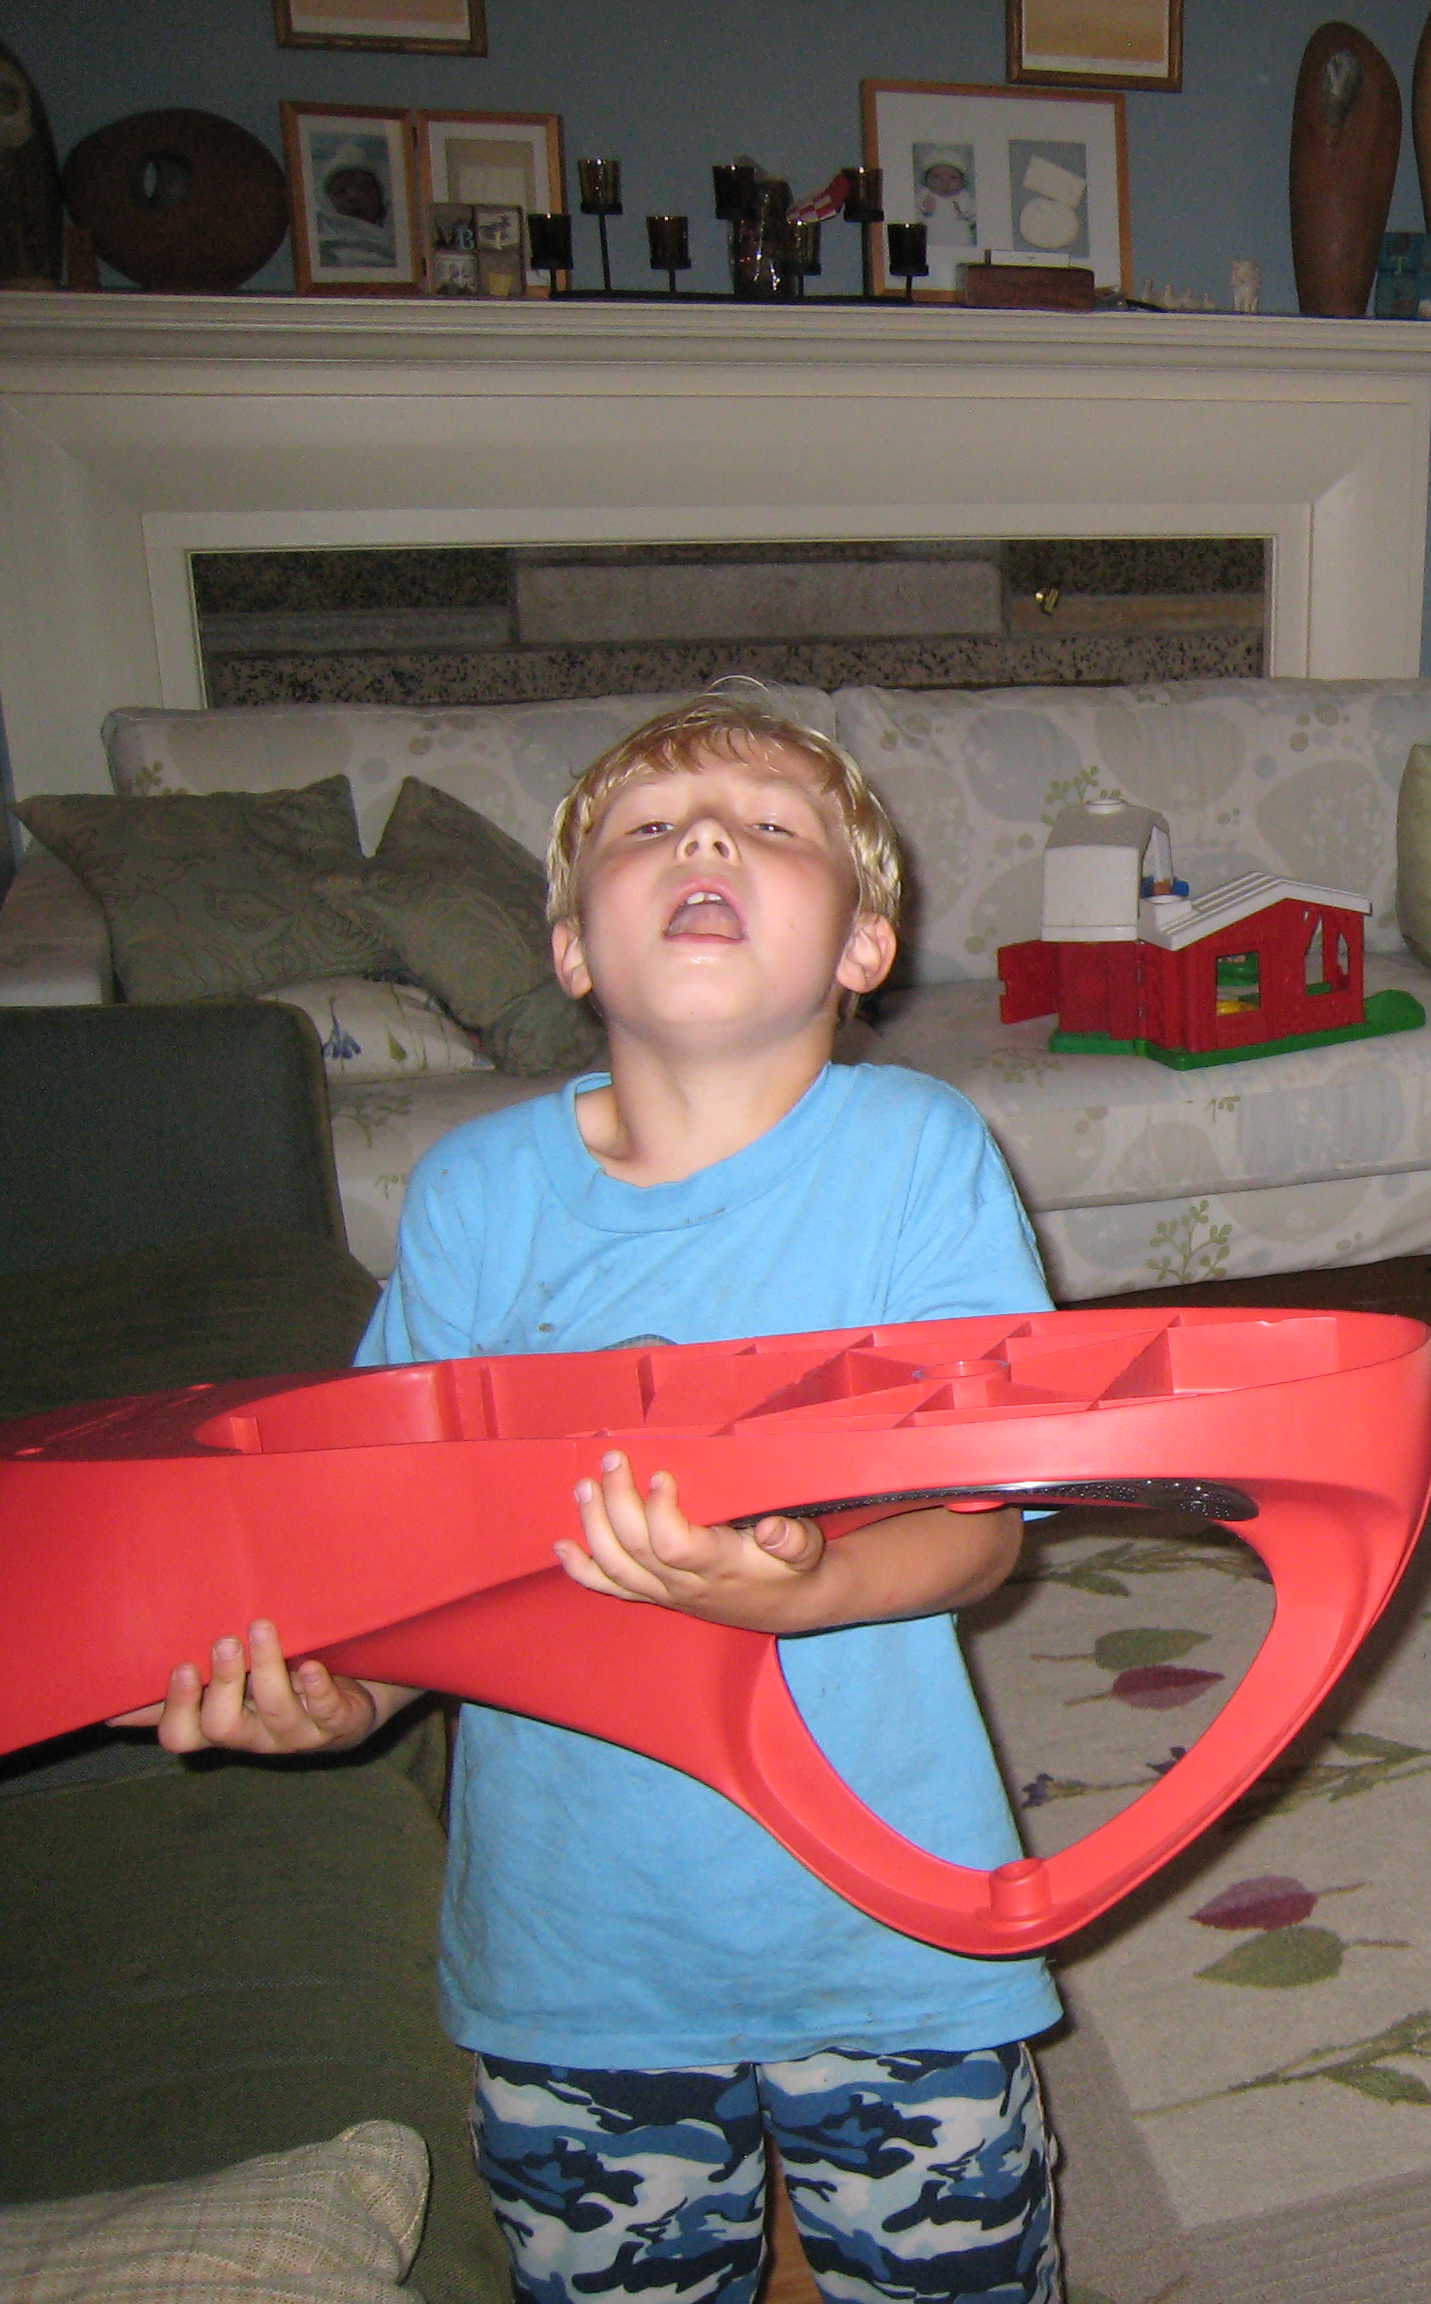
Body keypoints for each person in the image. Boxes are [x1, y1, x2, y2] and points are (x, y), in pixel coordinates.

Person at [116, 695, 1065, 2304]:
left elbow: (983, 1523)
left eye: (771, 825)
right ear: (568, 949)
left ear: (866, 946)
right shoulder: (477, 1196)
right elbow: (392, 1545)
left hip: (889, 1925)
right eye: (649, 829)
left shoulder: (919, 1153)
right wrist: (349, 1699)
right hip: (575, 1955)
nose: (706, 839)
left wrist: (810, 1589)